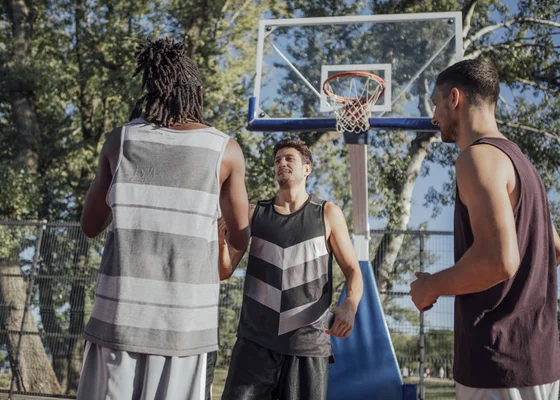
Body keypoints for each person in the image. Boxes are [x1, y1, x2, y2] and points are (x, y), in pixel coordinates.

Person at [77, 38, 250, 400]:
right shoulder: (225, 150)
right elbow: (240, 236)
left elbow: (90, 226)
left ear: (151, 89)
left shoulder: (119, 141)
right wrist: (219, 263)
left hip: (119, 315)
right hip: (185, 324)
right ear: (196, 92)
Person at [410, 59, 560, 399]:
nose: (434, 116)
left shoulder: (477, 158)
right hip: (540, 359)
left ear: (454, 99)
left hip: (497, 364)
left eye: (436, 103)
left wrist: (430, 286)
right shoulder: (524, 165)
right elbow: (553, 250)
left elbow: (499, 261)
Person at [218, 138, 364, 400]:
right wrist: (220, 242)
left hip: (308, 345)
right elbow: (224, 271)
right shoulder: (254, 213)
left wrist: (350, 305)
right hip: (255, 343)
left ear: (307, 169)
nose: (281, 163)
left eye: (289, 159)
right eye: (277, 161)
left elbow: (353, 269)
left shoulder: (327, 213)